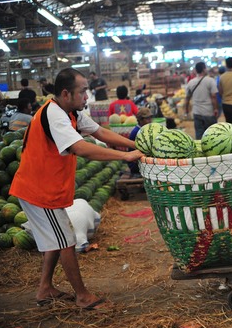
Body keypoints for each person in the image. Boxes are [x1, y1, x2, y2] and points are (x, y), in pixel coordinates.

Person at [9, 68, 143, 310]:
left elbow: (101, 132)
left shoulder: (71, 112)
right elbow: (81, 148)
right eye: (82, 92)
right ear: (65, 93)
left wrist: (136, 145)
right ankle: (82, 296)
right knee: (66, 241)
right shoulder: (54, 114)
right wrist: (125, 157)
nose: (86, 97)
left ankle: (45, 289)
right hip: (38, 191)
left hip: (48, 190)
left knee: (56, 239)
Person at [185, 62, 218, 139]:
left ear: (196, 70)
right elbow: (213, 97)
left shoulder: (191, 82)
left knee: (199, 134)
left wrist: (186, 111)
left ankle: (200, 149)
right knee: (211, 135)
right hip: (209, 112)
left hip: (197, 112)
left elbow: (187, 98)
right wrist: (216, 109)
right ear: (204, 69)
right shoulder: (210, 81)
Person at [128, 107, 153, 176]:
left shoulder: (145, 129)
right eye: (147, 118)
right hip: (135, 164)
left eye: (151, 118)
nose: (150, 120)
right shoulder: (137, 132)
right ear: (140, 120)